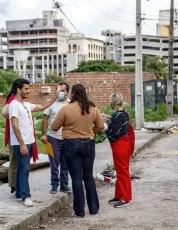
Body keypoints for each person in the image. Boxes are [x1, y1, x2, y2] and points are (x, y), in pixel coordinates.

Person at [51, 84, 104, 217]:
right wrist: (90, 131)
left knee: (76, 177)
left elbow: (54, 127)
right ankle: (94, 208)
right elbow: (101, 126)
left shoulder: (66, 109)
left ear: (73, 94)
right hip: (88, 143)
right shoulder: (93, 108)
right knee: (88, 176)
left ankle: (79, 211)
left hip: (70, 144)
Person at [8, 78, 60, 207]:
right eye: (26, 89)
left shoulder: (25, 105)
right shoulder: (14, 105)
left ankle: (20, 194)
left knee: (21, 168)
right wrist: (21, 143)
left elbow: (42, 106)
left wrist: (55, 97)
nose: (28, 91)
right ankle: (26, 196)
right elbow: (14, 125)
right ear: (18, 89)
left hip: (29, 141)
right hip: (22, 143)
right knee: (25, 169)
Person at [105, 92, 135, 208]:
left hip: (119, 146)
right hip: (125, 145)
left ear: (112, 103)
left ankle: (125, 198)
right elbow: (120, 123)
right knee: (121, 170)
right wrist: (108, 118)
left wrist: (105, 128)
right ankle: (119, 195)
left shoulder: (116, 116)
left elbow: (113, 135)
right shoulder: (124, 114)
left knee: (122, 172)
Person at [41, 82, 71, 194]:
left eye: (63, 90)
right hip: (53, 138)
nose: (60, 92)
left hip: (67, 137)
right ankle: (54, 184)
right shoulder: (51, 103)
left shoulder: (70, 104)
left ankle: (64, 184)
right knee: (54, 163)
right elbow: (45, 119)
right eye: (58, 90)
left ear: (67, 92)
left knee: (65, 162)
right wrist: (43, 134)